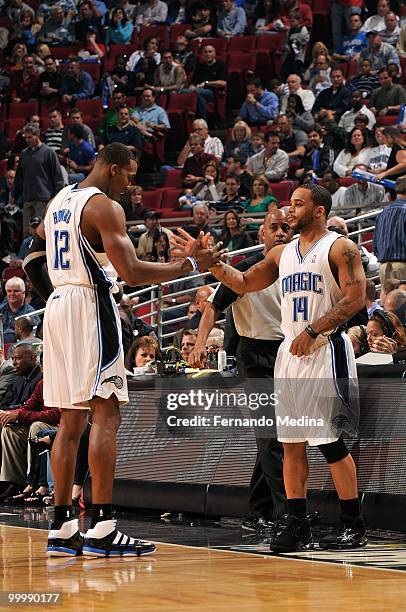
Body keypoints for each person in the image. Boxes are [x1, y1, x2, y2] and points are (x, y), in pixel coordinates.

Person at [22, 143, 221, 557]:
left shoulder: (60, 199)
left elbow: (32, 255)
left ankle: (61, 526)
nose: (132, 184)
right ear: (112, 169)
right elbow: (130, 272)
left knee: (70, 419)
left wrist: (56, 291)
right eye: (129, 174)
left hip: (57, 308)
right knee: (106, 413)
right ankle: (104, 525)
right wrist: (187, 267)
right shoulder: (104, 208)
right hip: (92, 306)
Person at [200, 183, 367, 552]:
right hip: (290, 354)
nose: (289, 211)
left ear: (319, 210)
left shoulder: (340, 247)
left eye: (297, 204)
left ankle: (353, 524)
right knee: (290, 443)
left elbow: (356, 299)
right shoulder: (282, 253)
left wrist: (314, 329)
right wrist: (212, 263)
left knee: (330, 443)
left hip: (325, 348)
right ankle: (296, 523)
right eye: (289, 204)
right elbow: (243, 282)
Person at [189, 210, 293, 531]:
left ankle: (257, 511)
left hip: (287, 353)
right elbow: (213, 308)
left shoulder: (297, 268)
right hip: (255, 355)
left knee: (278, 439)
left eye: (285, 227)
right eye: (273, 227)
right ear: (261, 234)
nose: (280, 232)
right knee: (271, 438)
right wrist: (199, 343)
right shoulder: (246, 271)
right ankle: (286, 515)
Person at [373, 177, 406, 285]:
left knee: (388, 301)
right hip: (403, 266)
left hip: (383, 267)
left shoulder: (383, 213)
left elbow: (375, 245)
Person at [0, 277, 40, 344]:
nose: (12, 294)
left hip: (20, 350)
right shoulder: (1, 309)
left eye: (16, 291)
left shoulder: (30, 313)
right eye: (9, 291)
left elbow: (34, 337)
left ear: (23, 293)